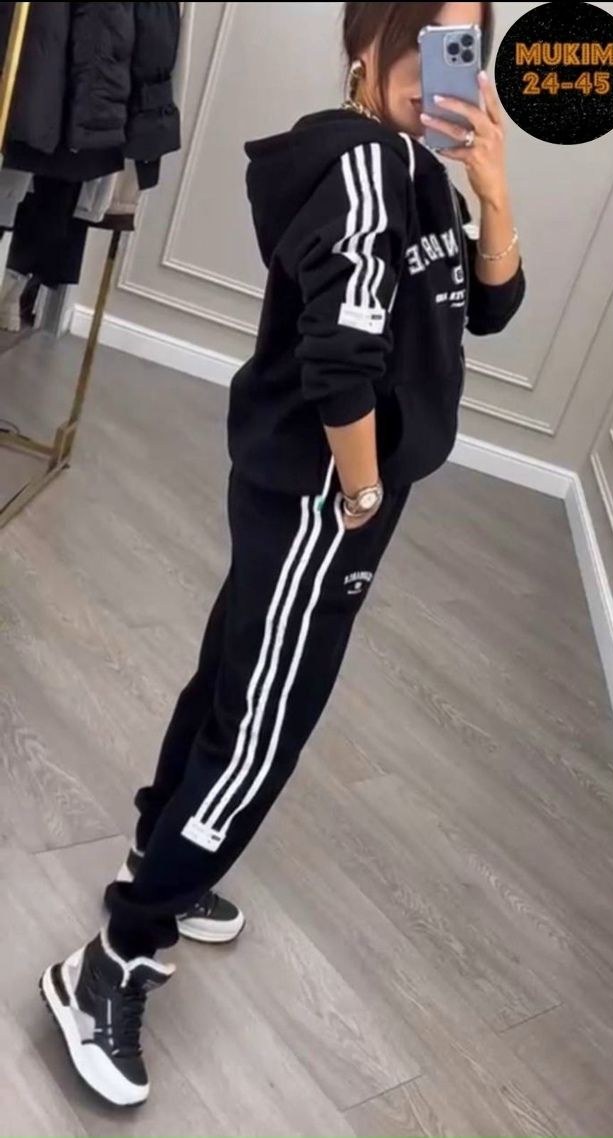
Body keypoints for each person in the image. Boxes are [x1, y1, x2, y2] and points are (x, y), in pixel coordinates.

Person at [40, 0, 524, 1107]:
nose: (444, 67)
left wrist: (494, 193)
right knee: (263, 733)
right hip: (325, 498)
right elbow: (340, 362)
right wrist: (359, 492)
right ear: (368, 40)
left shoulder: (420, 169)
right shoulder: (361, 167)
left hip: (327, 494)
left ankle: (157, 855)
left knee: (234, 675)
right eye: (425, 38)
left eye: (464, 44)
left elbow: (489, 309)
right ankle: (112, 959)